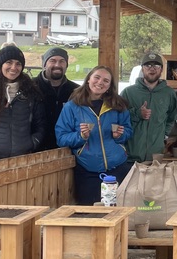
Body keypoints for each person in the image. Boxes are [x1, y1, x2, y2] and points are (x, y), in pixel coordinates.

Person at [55, 65, 133, 205]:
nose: (100, 82)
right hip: (88, 171)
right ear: (88, 80)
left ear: (109, 86)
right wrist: (81, 136)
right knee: (90, 212)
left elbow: (128, 131)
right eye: (97, 77)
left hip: (118, 168)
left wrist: (119, 135)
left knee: (118, 211)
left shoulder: (118, 105)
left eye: (106, 80)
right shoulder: (72, 107)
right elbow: (61, 137)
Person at [121, 51, 177, 162]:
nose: (152, 69)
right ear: (142, 69)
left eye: (156, 65)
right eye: (148, 65)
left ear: (161, 70)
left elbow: (171, 117)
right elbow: (118, 118)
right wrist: (137, 114)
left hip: (156, 156)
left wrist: (164, 135)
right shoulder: (128, 92)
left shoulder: (169, 93)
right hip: (131, 155)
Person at [34, 46, 79, 151]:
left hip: (66, 149)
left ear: (66, 65)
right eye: (52, 61)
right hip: (37, 149)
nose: (57, 65)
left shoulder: (76, 91)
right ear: (44, 64)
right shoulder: (31, 86)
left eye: (62, 61)